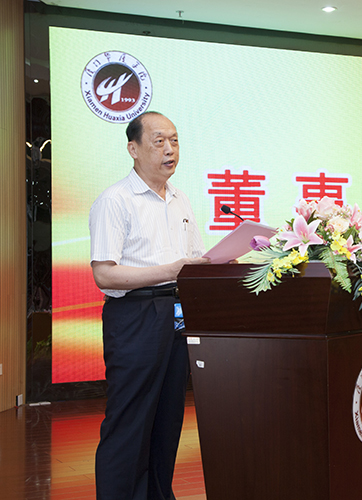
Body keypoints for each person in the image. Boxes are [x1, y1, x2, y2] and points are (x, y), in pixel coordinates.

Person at [89, 111, 208, 499]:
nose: (170, 149)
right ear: (133, 149)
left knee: (166, 420)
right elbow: (104, 274)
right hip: (135, 317)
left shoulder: (180, 199)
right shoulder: (115, 200)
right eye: (159, 141)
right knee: (129, 422)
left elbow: (192, 260)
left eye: (174, 140)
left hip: (177, 317)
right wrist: (170, 271)